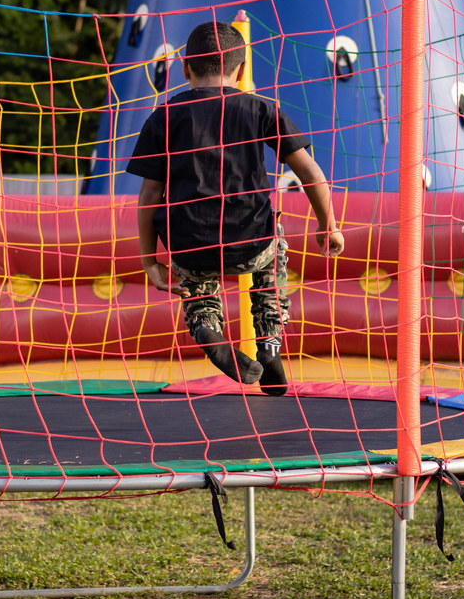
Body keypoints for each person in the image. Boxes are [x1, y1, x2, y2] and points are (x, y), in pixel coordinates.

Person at [128, 21, 344, 396]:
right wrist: (328, 225)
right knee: (272, 256)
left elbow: (149, 195)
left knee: (196, 288)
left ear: (185, 69)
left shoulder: (164, 115)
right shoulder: (262, 108)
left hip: (191, 246)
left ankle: (206, 328)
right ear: (242, 70)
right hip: (252, 243)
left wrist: (150, 260)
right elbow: (311, 172)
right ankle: (270, 343)